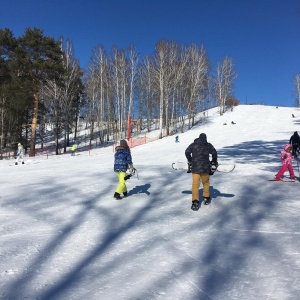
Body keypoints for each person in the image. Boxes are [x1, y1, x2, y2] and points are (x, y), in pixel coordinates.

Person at [185, 133, 218, 210]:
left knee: (195, 185)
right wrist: (214, 161)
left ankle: (195, 201)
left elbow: (187, 152)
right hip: (205, 168)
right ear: (205, 138)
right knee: (206, 183)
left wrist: (190, 160)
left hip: (195, 168)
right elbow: (214, 152)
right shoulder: (207, 145)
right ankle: (206, 198)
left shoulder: (193, 144)